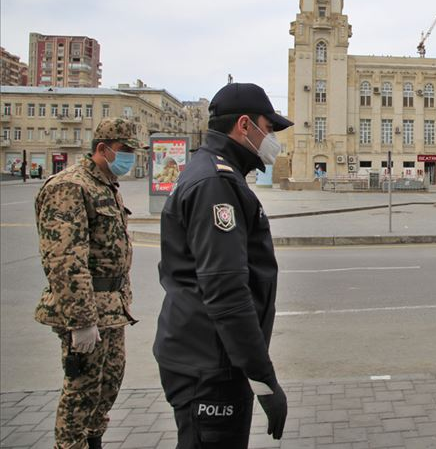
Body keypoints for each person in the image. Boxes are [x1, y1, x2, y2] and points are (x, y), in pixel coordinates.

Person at [154, 82, 293, 447]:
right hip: (209, 366)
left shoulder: (215, 172)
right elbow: (227, 291)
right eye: (270, 127)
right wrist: (264, 380)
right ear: (245, 125)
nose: (273, 137)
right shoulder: (216, 182)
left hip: (208, 356)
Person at [34, 118, 144, 449]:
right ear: (102, 148)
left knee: (107, 386)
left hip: (111, 310)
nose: (130, 158)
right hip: (87, 311)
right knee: (81, 393)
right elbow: (65, 260)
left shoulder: (105, 185)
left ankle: (94, 441)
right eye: (125, 151)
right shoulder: (70, 186)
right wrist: (81, 322)